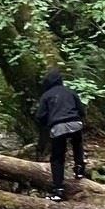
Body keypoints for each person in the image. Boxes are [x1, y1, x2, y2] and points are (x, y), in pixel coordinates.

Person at [32, 69, 89, 198]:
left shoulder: (46, 96)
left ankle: (58, 189)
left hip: (58, 127)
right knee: (77, 144)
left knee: (57, 158)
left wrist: (48, 123)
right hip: (75, 122)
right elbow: (81, 110)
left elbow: (40, 116)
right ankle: (79, 168)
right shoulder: (70, 92)